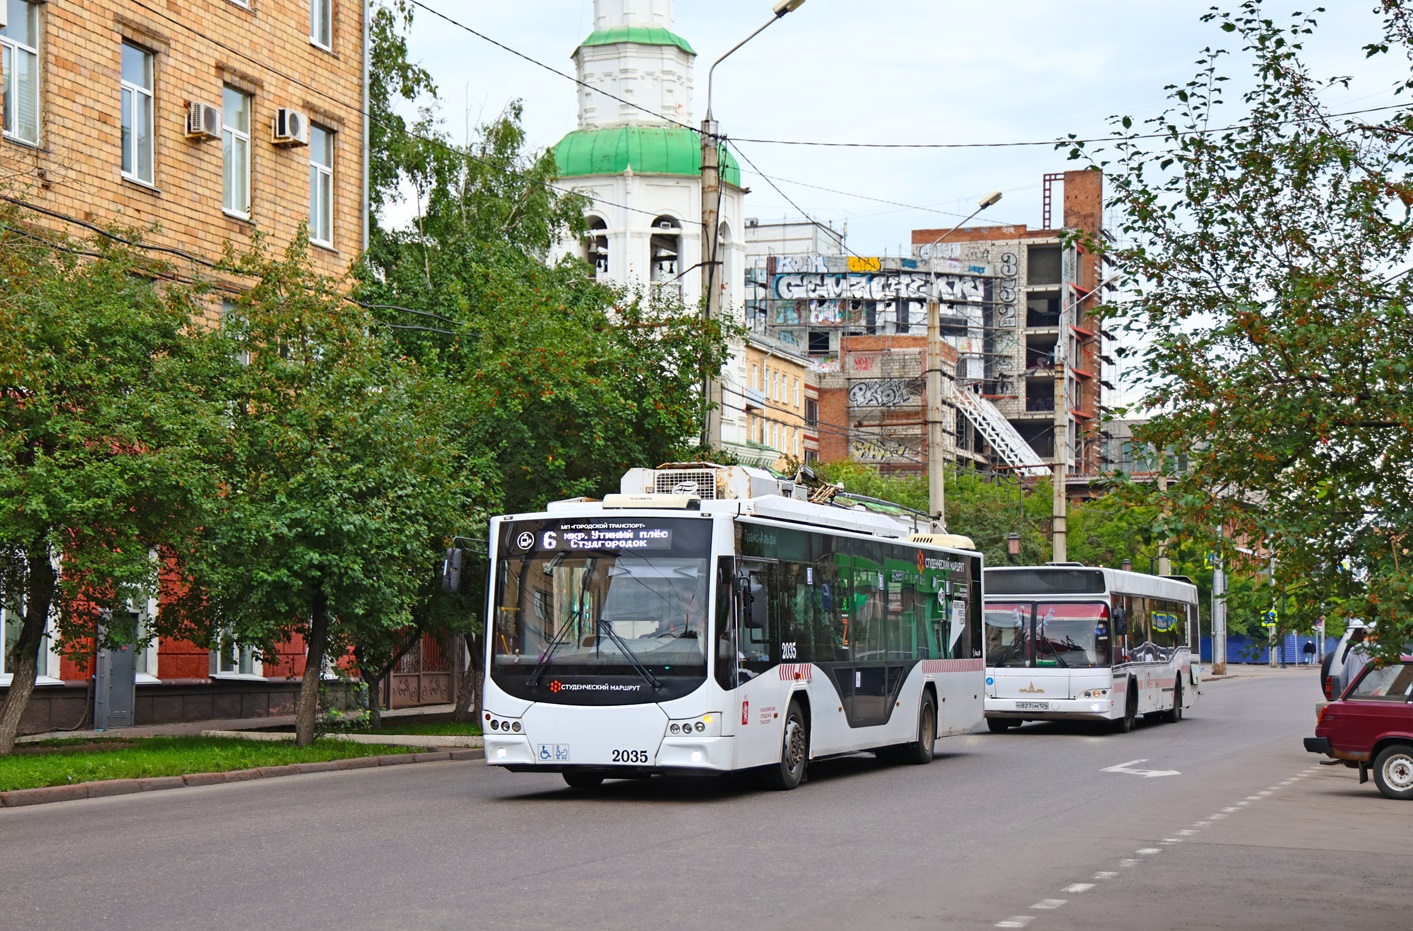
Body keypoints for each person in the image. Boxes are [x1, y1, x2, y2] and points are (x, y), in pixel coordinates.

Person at [1342, 627, 1370, 693]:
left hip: (1353, 691)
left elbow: (1343, 675)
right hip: (1373, 692)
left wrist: (1344, 691)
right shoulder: (1378, 650)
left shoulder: (1353, 650)